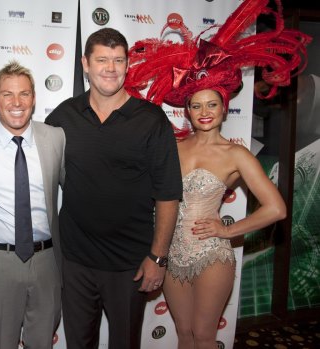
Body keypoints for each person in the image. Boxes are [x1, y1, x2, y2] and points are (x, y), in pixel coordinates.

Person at [124, 1, 310, 347]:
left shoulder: (235, 153)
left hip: (212, 254)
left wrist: (229, 229)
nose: (204, 112)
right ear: (187, 111)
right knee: (184, 334)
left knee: (206, 336)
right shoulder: (172, 148)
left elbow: (276, 209)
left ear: (224, 108)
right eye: (196, 105)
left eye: (211, 105)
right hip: (172, 253)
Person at [45, 28, 182, 349]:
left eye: (118, 60)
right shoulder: (64, 116)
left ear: (127, 64)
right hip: (75, 261)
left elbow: (168, 194)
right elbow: (33, 166)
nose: (110, 68)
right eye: (102, 60)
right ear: (85, 64)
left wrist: (158, 258)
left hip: (131, 264)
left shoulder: (151, 119)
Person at [0, 61, 65, 349]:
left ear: (33, 98)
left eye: (25, 94)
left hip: (47, 260)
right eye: (7, 94)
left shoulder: (55, 138)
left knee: (42, 342)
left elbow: (75, 192)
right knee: (2, 342)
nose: (16, 103)